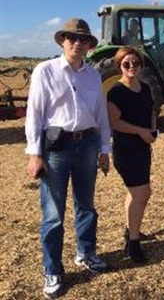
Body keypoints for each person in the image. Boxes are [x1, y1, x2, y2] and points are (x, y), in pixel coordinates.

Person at [25, 18, 111, 299]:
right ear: (62, 41)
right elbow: (34, 115)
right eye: (71, 37)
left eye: (82, 39)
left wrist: (104, 149)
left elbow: (101, 115)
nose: (76, 42)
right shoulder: (45, 71)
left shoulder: (93, 75)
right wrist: (35, 154)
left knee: (86, 205)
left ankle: (85, 253)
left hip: (86, 144)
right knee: (53, 214)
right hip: (56, 148)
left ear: (89, 45)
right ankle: (52, 269)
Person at [106, 46, 157, 263]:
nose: (131, 67)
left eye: (135, 63)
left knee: (136, 193)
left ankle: (130, 230)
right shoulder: (116, 92)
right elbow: (114, 122)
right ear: (119, 66)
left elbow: (151, 111)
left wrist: (152, 130)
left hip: (143, 148)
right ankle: (133, 243)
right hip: (126, 149)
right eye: (126, 63)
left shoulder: (144, 88)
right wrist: (140, 131)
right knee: (141, 193)